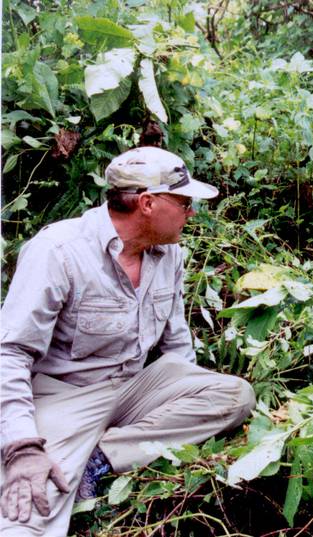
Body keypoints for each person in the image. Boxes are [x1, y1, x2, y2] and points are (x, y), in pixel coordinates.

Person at [0, 147, 256, 535]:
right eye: (184, 202)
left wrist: (186, 396)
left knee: (235, 396)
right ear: (148, 203)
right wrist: (22, 447)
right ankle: (76, 452)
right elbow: (10, 352)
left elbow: (176, 343)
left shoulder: (169, 254)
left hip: (136, 385)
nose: (192, 212)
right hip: (67, 395)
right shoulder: (58, 251)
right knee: (29, 516)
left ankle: (101, 457)